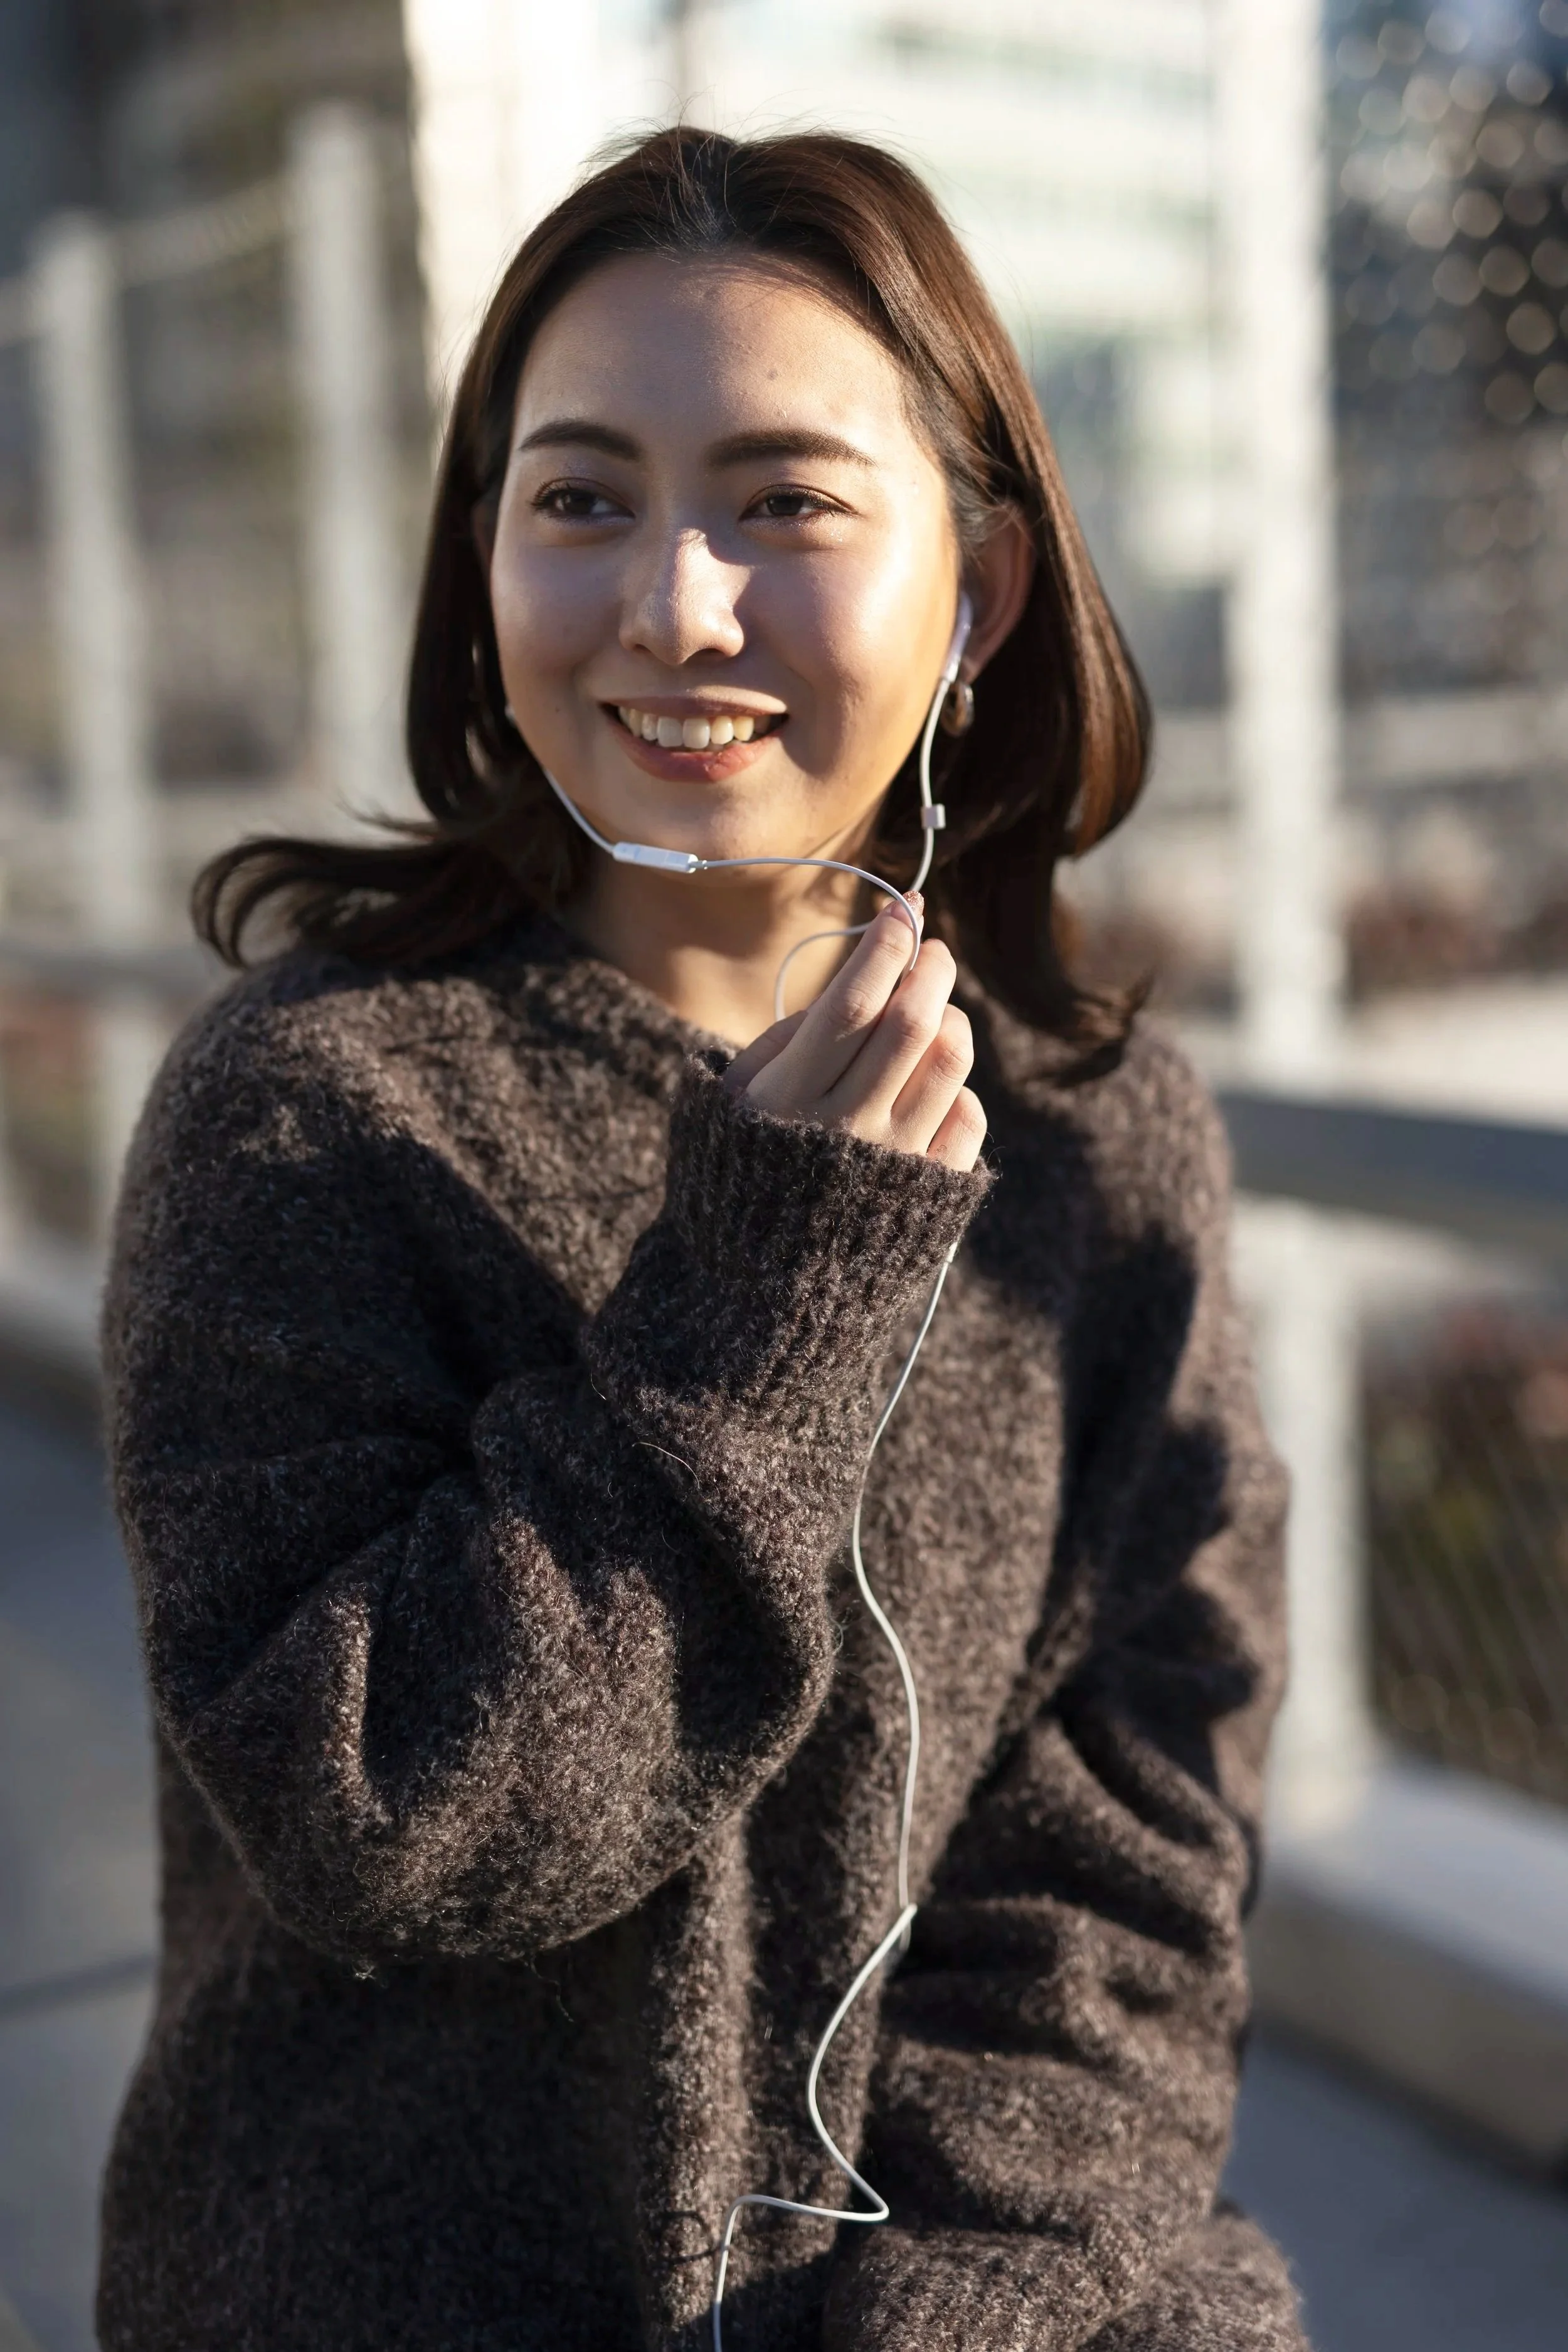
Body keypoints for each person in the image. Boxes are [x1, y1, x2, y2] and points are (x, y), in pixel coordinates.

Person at [97, 126, 1305, 2352]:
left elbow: (1127, 1864)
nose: (673, 604)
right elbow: (401, 1823)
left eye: (785, 499)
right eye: (580, 499)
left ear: (985, 590)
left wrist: (971, 2292)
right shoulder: (310, 1107)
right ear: (486, 561)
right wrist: (762, 1294)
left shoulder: (1100, 1143)